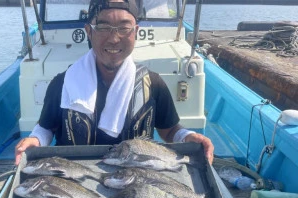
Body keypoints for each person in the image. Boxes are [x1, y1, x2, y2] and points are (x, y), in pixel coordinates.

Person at [15, 0, 214, 165]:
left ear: (135, 31)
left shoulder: (153, 84)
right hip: (73, 177)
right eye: (103, 27)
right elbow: (45, 128)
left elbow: (170, 130)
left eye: (124, 28)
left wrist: (187, 137)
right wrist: (35, 139)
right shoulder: (63, 83)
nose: (114, 38)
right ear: (89, 31)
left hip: (135, 180)